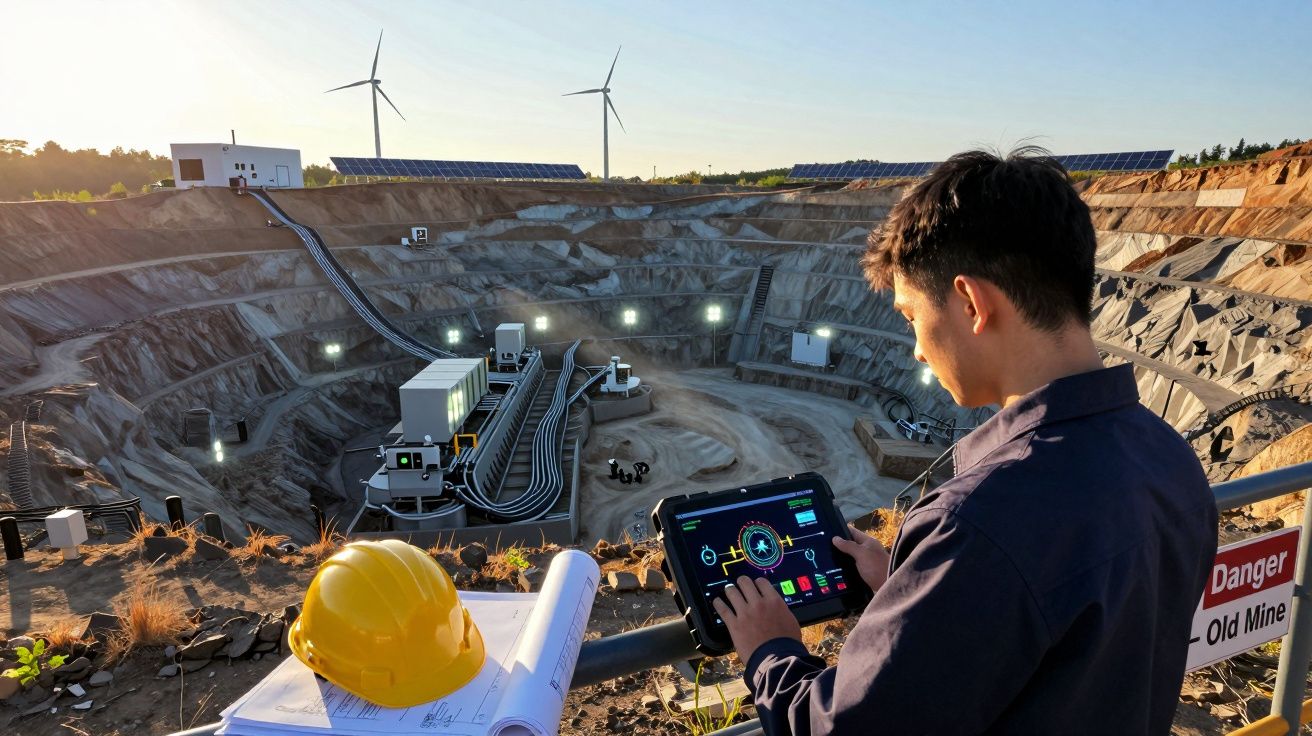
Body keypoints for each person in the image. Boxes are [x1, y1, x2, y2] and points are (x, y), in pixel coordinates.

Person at [712, 148, 1218, 735]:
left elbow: (847, 728)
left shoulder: (978, 523)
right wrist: (915, 583)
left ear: (973, 304)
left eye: (910, 317)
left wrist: (772, 653)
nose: (918, 350)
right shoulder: (1169, 459)